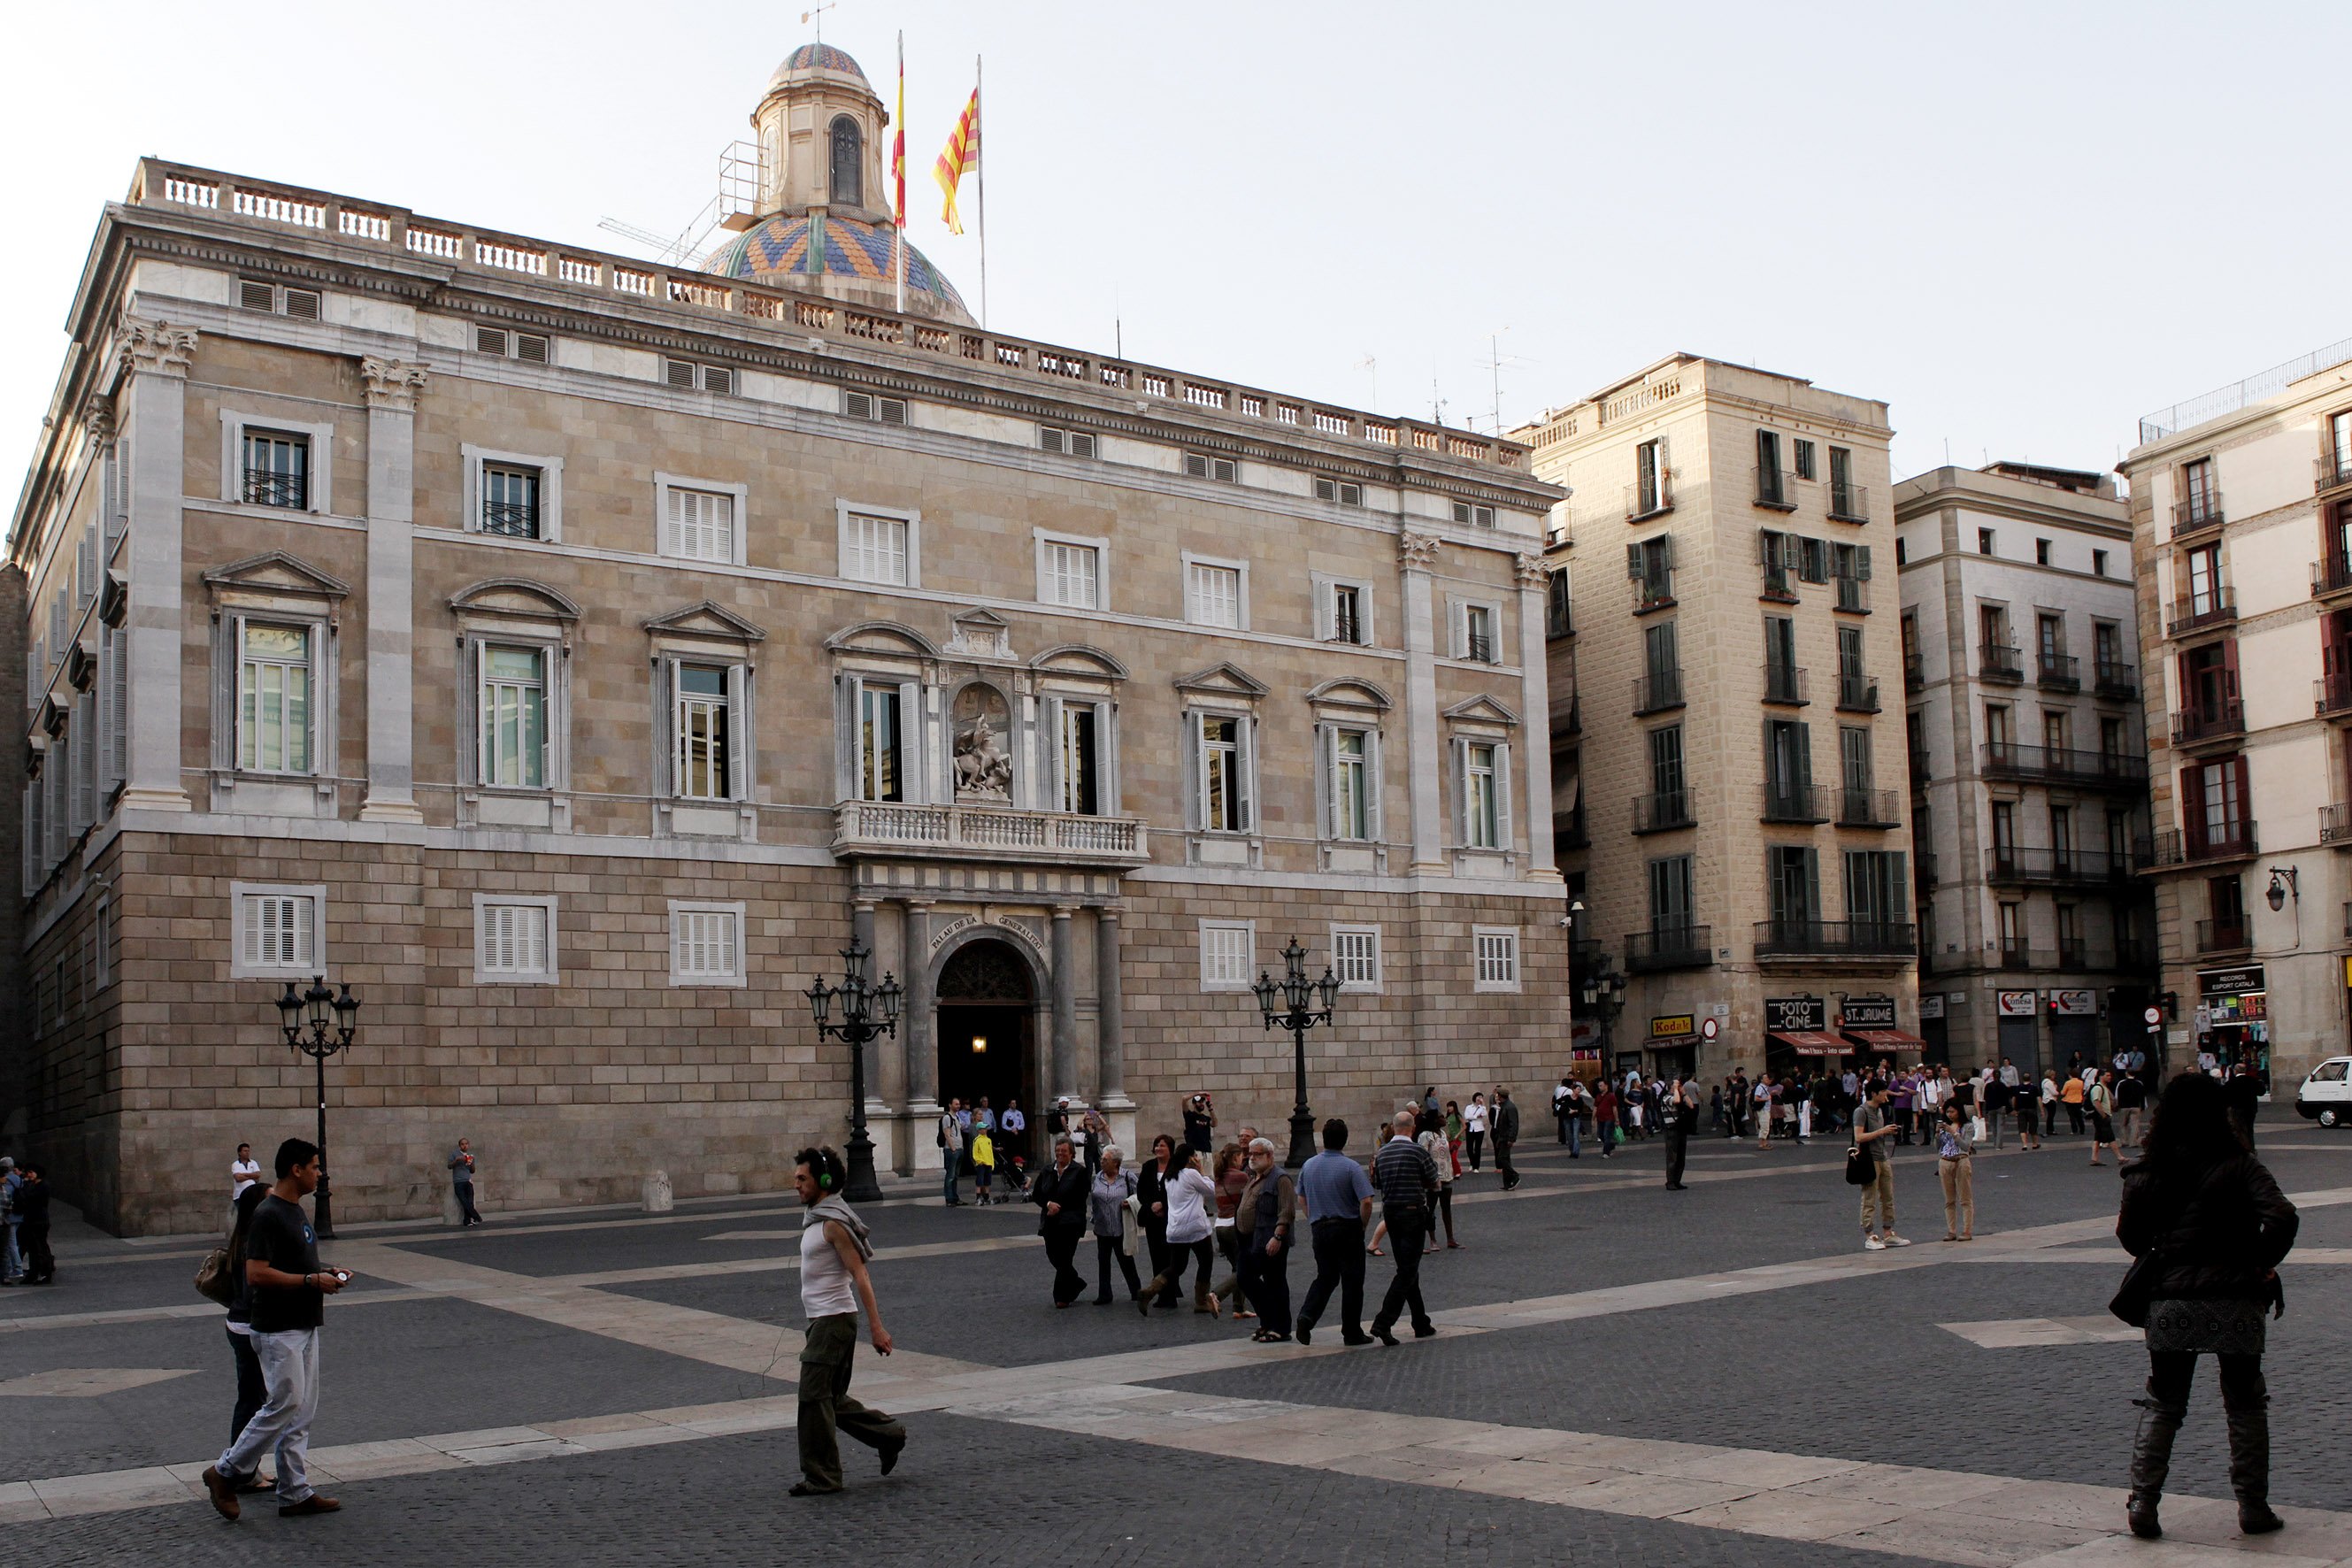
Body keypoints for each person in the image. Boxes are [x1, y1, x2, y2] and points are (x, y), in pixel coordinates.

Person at [2118, 1072, 2298, 1541]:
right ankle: (2253, 1507)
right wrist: (2260, 1262)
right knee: (2245, 1403)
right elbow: (2282, 1215)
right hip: (2235, 1297)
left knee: (2164, 1402)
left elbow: (2131, 1239)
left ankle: (2142, 1502)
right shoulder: (2239, 1164)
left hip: (2171, 1298)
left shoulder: (2145, 1172)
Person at [202, 1139, 344, 1520]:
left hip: (304, 1322)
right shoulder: (268, 1213)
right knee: (283, 1405)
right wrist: (311, 1282)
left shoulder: (295, 1210)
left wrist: (324, 1272)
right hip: (278, 1328)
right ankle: (226, 1471)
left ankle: (295, 1491)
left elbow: (295, 1260)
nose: (320, 1173)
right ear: (296, 1169)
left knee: (301, 1413)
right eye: (315, 1166)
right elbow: (257, 1273)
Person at [784, 1146, 905, 1495]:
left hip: (834, 1320)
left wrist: (877, 1328)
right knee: (830, 1400)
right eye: (796, 1178)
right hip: (823, 1321)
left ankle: (823, 1476)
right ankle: (890, 1435)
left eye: (802, 1178)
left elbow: (861, 1275)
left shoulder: (834, 1224)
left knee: (812, 1397)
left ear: (823, 1180)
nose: (796, 1185)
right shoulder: (818, 1218)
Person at [1294, 1118, 1374, 1347]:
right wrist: (1362, 1226)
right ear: (1345, 1140)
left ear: (1323, 1139)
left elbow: (1301, 1196)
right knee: (1352, 1280)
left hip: (1320, 1228)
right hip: (1347, 1227)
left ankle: (1306, 1317)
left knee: (1325, 1277)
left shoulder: (1308, 1165)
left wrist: (1312, 1218)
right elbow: (1366, 1201)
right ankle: (1351, 1331)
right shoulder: (1350, 1167)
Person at [219, 1185, 275, 1496]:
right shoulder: (256, 1238)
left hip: (238, 1323)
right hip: (249, 1325)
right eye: (268, 1199)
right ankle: (241, 1470)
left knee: (252, 1399)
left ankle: (247, 1467)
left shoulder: (243, 1235)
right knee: (254, 1401)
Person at [1368, 1111, 1438, 1346]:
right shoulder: (1418, 1151)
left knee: (1408, 1268)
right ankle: (1383, 1322)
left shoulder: (1382, 1154)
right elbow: (1434, 1179)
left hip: (1391, 1214)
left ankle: (1421, 1322)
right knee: (1407, 1271)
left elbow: (1377, 1183)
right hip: (1412, 1213)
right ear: (1412, 1127)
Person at [1138, 1145, 1219, 1315]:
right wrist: (1202, 1170)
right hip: (1196, 1227)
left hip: (1175, 1228)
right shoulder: (1190, 1174)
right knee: (1205, 1262)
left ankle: (1150, 1291)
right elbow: (1212, 1190)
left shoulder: (1169, 1177)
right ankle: (1200, 1301)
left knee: (1176, 1266)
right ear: (1191, 1158)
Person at [1234, 1138, 1296, 1341]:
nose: (1252, 1158)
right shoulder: (1253, 1177)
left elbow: (1286, 1211)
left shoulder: (1280, 1179)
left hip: (1270, 1239)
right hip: (1250, 1240)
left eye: (1257, 1154)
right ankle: (1268, 1319)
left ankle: (1280, 1327)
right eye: (1250, 1154)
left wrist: (1277, 1236)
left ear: (1269, 1156)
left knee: (1275, 1282)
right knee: (1244, 1277)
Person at [1029, 1135, 1089, 1306]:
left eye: (1064, 1151)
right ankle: (1076, 1282)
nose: (1060, 1154)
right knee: (1053, 1255)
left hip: (1071, 1222)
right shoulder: (1047, 1170)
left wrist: (1059, 1206)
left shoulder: (1080, 1171)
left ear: (1071, 1153)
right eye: (1057, 1151)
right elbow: (1037, 1194)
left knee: (1065, 1257)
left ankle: (1061, 1297)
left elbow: (1080, 1195)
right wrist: (1048, 1204)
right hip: (1050, 1222)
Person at [1854, 1080, 1909, 1251]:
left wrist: (1889, 1131)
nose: (1886, 1094)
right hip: (1869, 1159)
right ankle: (1869, 1235)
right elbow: (1859, 1137)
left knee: (1888, 1196)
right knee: (1869, 1197)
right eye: (1883, 1092)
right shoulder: (1861, 1111)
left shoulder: (1880, 1110)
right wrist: (1882, 1131)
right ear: (1873, 1094)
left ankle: (1888, 1233)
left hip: (1883, 1157)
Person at [1089, 1148, 1142, 1305]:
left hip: (1121, 1226)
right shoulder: (1098, 1177)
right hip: (1102, 1226)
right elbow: (1094, 1199)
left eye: (1105, 1160)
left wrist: (1131, 1202)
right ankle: (1104, 1294)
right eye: (1102, 1159)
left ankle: (1136, 1291)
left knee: (1126, 1260)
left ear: (1116, 1163)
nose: (1102, 1162)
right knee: (1103, 1262)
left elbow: (1141, 1194)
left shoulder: (1127, 1176)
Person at [1137, 1134, 1176, 1295]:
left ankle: (1171, 1291)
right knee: (1156, 1255)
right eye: (1157, 1145)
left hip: (1171, 1218)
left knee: (1170, 1257)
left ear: (1170, 1149)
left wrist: (1164, 1205)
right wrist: (1152, 1205)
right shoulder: (1148, 1166)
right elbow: (1141, 1191)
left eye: (1162, 1145)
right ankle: (1159, 1292)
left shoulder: (1176, 1167)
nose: (1158, 1149)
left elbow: (1179, 1192)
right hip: (1152, 1218)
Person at [1418, 1115, 1459, 1248]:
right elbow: (1422, 1155)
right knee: (1431, 1208)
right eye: (1441, 1117)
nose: (1444, 1119)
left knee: (1447, 1208)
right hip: (1433, 1177)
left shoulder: (1442, 1133)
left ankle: (1450, 1238)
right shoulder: (1425, 1135)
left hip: (1446, 1174)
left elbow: (1443, 1152)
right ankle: (1432, 1240)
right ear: (1435, 1120)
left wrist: (1451, 1149)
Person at [1937, 1102, 1975, 1242]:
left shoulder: (1968, 1126)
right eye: (1947, 1112)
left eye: (1952, 1111)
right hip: (1945, 1161)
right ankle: (1951, 1230)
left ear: (1959, 1111)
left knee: (1965, 1197)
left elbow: (1966, 1146)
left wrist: (1954, 1133)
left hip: (1961, 1160)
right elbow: (1938, 1147)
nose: (1950, 1115)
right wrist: (1938, 1133)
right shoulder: (1944, 1127)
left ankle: (1966, 1230)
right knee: (1949, 1199)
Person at [12, 1163, 53, 1286]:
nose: (28, 1175)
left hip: (38, 1221)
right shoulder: (32, 1185)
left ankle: (44, 1273)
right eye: (28, 1172)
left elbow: (28, 1198)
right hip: (31, 1220)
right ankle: (33, 1273)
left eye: (31, 1172)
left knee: (39, 1249)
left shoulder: (42, 1186)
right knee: (33, 1249)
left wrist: (22, 1187)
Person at [1660, 1075, 1697, 1190]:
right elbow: (1675, 1100)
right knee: (1672, 1156)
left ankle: (1677, 1180)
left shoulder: (1681, 1097)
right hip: (1671, 1130)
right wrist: (1675, 1089)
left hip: (1681, 1129)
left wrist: (1684, 1093)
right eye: (1676, 1084)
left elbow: (1691, 1105)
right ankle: (1670, 1181)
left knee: (1681, 1157)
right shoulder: (1666, 1097)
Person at [2224, 1063, 2264, 1151]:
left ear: (2235, 1071)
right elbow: (2261, 1092)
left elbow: (2225, 1096)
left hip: (2237, 1109)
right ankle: (2251, 1148)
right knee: (2250, 1129)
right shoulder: (2253, 1080)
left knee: (2240, 1129)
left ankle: (2244, 1148)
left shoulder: (2231, 1082)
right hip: (2251, 1108)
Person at [448, 1139, 482, 1226]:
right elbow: (449, 1166)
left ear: (468, 1145)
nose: (464, 1146)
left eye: (466, 1144)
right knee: (464, 1200)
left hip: (468, 1180)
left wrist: (471, 1163)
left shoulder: (470, 1156)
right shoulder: (455, 1154)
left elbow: (472, 1171)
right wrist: (456, 1160)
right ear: (460, 1145)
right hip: (458, 1181)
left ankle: (467, 1221)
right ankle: (476, 1216)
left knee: (470, 1201)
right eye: (462, 1144)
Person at [937, 1098, 965, 1205]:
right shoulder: (947, 1118)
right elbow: (947, 1134)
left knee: (956, 1176)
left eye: (959, 1104)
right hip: (951, 1150)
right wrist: (953, 1148)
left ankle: (955, 1197)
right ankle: (949, 1198)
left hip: (959, 1149)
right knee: (950, 1176)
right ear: (950, 1105)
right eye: (956, 1104)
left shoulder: (957, 1117)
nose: (958, 1106)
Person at [2088, 1071, 2119, 1167]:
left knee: (2097, 1137)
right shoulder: (2098, 1088)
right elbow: (2096, 1102)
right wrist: (2103, 1114)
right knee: (2110, 1137)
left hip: (2103, 1115)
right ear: (2101, 1076)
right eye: (2108, 1075)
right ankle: (2119, 1156)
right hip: (2101, 1115)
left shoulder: (2104, 1087)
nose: (2110, 1077)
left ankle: (2094, 1158)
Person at [1492, 1089, 1520, 1190]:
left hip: (1506, 1137)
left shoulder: (1510, 1107)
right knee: (1505, 1159)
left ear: (1501, 1096)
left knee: (1502, 1159)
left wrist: (1511, 1139)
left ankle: (1514, 1175)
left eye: (1497, 1095)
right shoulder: (1504, 1106)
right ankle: (1508, 1183)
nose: (1496, 1097)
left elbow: (1514, 1124)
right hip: (1502, 1137)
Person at [0, 1157, 22, 1286]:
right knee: (11, 1244)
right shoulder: (18, 1178)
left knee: (10, 1245)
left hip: (7, 1220)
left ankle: (15, 1269)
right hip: (16, 1216)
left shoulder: (6, 1183)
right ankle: (12, 1269)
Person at [2117, 1069, 2148, 1149]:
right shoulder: (2139, 1083)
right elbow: (2142, 1096)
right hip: (2135, 1106)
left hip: (2124, 1107)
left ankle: (2124, 1141)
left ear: (2126, 1074)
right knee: (2135, 1125)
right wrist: (2143, 1106)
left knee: (2123, 1124)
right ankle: (2133, 1142)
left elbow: (2117, 1096)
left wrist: (2118, 1106)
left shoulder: (2121, 1083)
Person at [969, 1123, 996, 1204]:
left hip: (988, 1163)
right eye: (983, 1128)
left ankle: (986, 1197)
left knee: (987, 1181)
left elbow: (990, 1153)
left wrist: (992, 1163)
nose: (985, 1130)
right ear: (979, 1130)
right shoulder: (977, 1140)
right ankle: (978, 1197)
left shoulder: (989, 1140)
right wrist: (978, 1161)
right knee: (979, 1181)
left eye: (986, 1128)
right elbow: (975, 1152)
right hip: (981, 1163)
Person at [231, 1143, 263, 1214]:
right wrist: (252, 1176)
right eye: (245, 1151)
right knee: (243, 1215)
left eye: (248, 1151)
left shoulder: (253, 1163)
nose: (247, 1152)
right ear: (239, 1153)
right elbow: (238, 1178)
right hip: (240, 1195)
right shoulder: (235, 1164)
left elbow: (257, 1175)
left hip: (252, 1195)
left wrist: (244, 1174)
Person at [1182, 1093, 1217, 1157]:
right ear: (1194, 1104)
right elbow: (1184, 1099)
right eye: (1199, 1102)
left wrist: (1210, 1109)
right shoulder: (1190, 1115)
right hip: (1195, 1151)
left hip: (1207, 1151)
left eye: (1202, 1102)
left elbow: (1214, 1124)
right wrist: (1198, 1094)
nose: (1201, 1104)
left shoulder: (1206, 1118)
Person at [1462, 1093, 1488, 1171]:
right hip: (1470, 1129)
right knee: (1469, 1148)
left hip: (1479, 1129)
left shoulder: (1482, 1107)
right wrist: (1476, 1116)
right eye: (1478, 1097)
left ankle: (1476, 1167)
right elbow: (1467, 1117)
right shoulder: (1469, 1107)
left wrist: (1483, 1105)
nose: (1480, 1099)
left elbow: (1484, 1114)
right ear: (1475, 1098)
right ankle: (1472, 1162)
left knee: (1477, 1149)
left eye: (1481, 1097)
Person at [1594, 1080, 1618, 1158]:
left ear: (1606, 1086)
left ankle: (1606, 1153)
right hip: (1600, 1118)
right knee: (1601, 1134)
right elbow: (1595, 1107)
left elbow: (1614, 1108)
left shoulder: (1611, 1096)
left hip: (1609, 1118)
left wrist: (1616, 1119)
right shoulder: (1598, 1096)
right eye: (1599, 1086)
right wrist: (1593, 1118)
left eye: (1601, 1085)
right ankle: (1610, 1145)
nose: (1599, 1087)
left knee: (1606, 1134)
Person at [2062, 1070, 2087, 1136]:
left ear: (2070, 1075)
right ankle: (2082, 1130)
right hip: (2078, 1100)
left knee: (2072, 1116)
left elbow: (2063, 1092)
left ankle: (2074, 1130)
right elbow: (2082, 1091)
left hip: (2069, 1101)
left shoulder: (2068, 1083)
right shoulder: (2081, 1082)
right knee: (2079, 1116)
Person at [1553, 1077, 1575, 1144]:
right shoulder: (1569, 1091)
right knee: (1567, 1124)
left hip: (1559, 1108)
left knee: (1561, 1124)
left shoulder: (1558, 1089)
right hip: (1566, 1109)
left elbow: (1555, 1097)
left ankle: (1561, 1139)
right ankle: (1568, 1139)